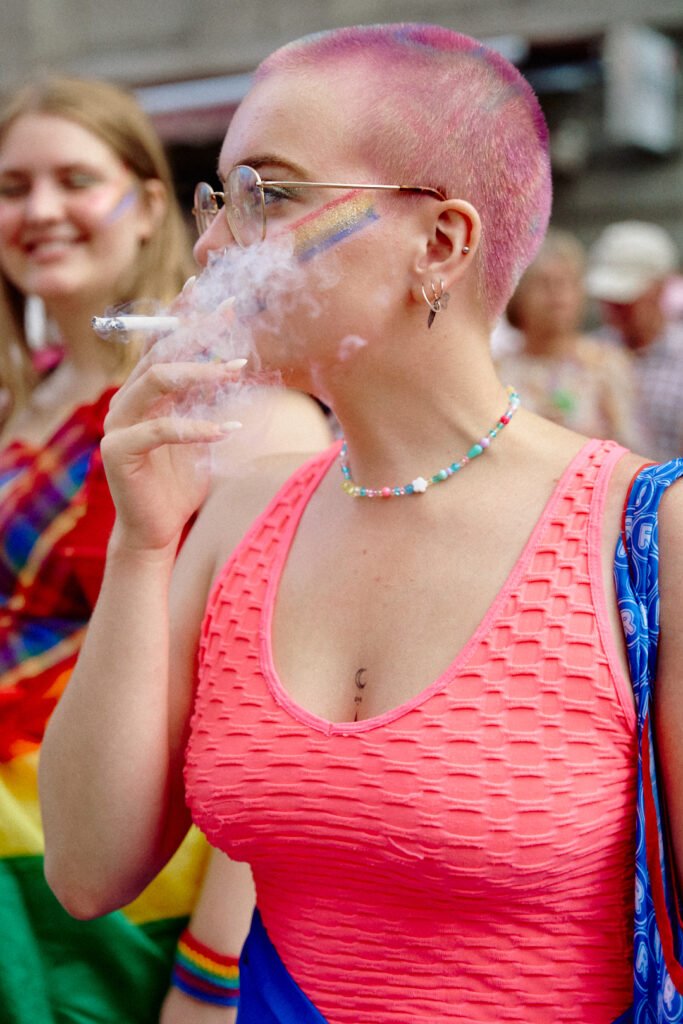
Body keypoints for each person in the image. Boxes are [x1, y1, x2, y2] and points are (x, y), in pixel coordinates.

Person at [38, 24, 683, 1024]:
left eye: (266, 194)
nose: (210, 247)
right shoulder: (238, 508)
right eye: (218, 199)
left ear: (440, 244)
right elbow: (86, 870)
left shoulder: (645, 538)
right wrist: (141, 544)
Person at [0, 74, 330, 1024]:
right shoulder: (23, 405)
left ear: (150, 206)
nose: (41, 210)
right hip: (24, 887)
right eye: (13, 187)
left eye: (76, 180)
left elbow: (272, 710)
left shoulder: (236, 406)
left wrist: (213, 969)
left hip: (137, 902)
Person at [496, 228, 639, 447]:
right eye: (543, 283)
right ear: (517, 295)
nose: (557, 293)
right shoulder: (497, 372)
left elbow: (635, 449)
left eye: (566, 282)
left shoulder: (607, 364)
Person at [585, 219, 683, 460]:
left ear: (660, 288)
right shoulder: (586, 356)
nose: (615, 307)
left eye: (626, 298)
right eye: (609, 298)